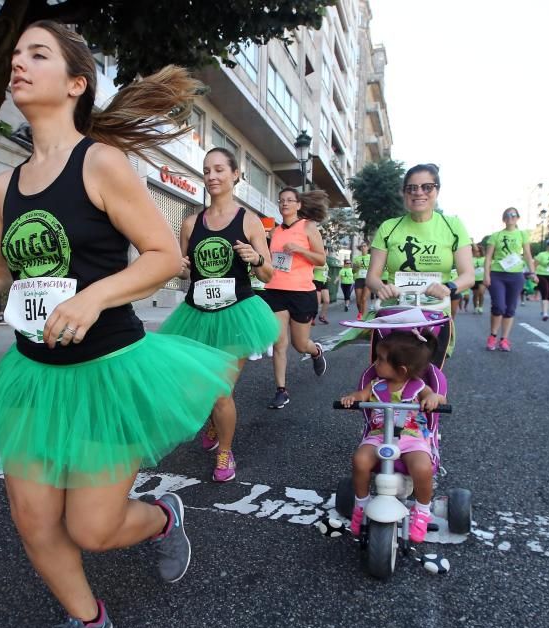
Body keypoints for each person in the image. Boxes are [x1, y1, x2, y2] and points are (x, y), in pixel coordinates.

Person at [0, 22, 235, 628]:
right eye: (17, 55)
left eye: (38, 55)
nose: (18, 64)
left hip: (107, 372)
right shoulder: (7, 186)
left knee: (92, 528)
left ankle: (162, 517)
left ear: (75, 83)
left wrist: (95, 298)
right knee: (33, 520)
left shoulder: (101, 163)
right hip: (34, 374)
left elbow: (164, 257)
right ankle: (88, 618)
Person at [158, 147, 279, 481]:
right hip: (196, 314)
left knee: (220, 390)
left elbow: (268, 274)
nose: (212, 177)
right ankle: (213, 419)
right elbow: (184, 271)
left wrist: (255, 258)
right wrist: (179, 266)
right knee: (201, 387)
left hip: (236, 314)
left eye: (219, 170)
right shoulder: (190, 222)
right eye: (207, 171)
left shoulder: (249, 221)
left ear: (236, 175)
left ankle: (225, 452)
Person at [338, 331, 447, 544]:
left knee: (423, 467)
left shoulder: (417, 386)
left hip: (411, 437)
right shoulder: (376, 385)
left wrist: (434, 398)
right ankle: (361, 504)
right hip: (379, 435)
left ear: (401, 369)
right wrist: (353, 398)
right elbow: (361, 395)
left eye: (380, 360)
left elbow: (438, 397)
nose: (375, 364)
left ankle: (422, 510)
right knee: (360, 460)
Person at [366, 163, 473, 345]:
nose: (419, 192)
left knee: (427, 371)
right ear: (404, 193)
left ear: (437, 190)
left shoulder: (453, 226)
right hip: (395, 311)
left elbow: (468, 275)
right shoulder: (388, 227)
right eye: (412, 188)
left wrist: (449, 287)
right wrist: (382, 288)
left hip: (435, 312)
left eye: (427, 187)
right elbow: (372, 277)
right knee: (389, 370)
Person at [263, 188, 330, 409]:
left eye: (290, 200)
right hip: (275, 290)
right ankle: (281, 390)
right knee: (279, 343)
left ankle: (316, 351)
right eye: (281, 200)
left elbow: (321, 259)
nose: (285, 204)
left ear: (299, 205)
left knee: (300, 345)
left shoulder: (308, 227)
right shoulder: (274, 232)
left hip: (301, 292)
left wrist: (300, 249)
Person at [483, 207, 535, 351]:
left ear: (518, 218)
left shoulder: (523, 234)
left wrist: (533, 272)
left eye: (513, 215)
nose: (510, 217)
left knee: (510, 308)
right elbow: (488, 257)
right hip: (497, 274)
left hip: (516, 275)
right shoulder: (496, 236)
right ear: (503, 218)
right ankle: (492, 336)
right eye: (507, 215)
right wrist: (486, 275)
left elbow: (527, 255)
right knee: (499, 306)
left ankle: (504, 339)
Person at [352, 241, 371, 320]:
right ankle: (360, 312)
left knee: (364, 299)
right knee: (358, 300)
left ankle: (363, 317)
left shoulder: (371, 257)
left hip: (368, 279)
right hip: (359, 279)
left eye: (365, 246)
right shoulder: (356, 258)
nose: (363, 248)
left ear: (368, 247)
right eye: (362, 246)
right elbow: (353, 271)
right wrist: (356, 267)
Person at [471, 243, 486, 314]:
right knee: (475, 294)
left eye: (478, 251)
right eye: (475, 251)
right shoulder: (471, 259)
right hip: (474, 279)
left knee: (481, 293)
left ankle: (480, 307)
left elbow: (488, 267)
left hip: (482, 278)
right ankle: (475, 307)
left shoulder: (484, 259)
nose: (476, 253)